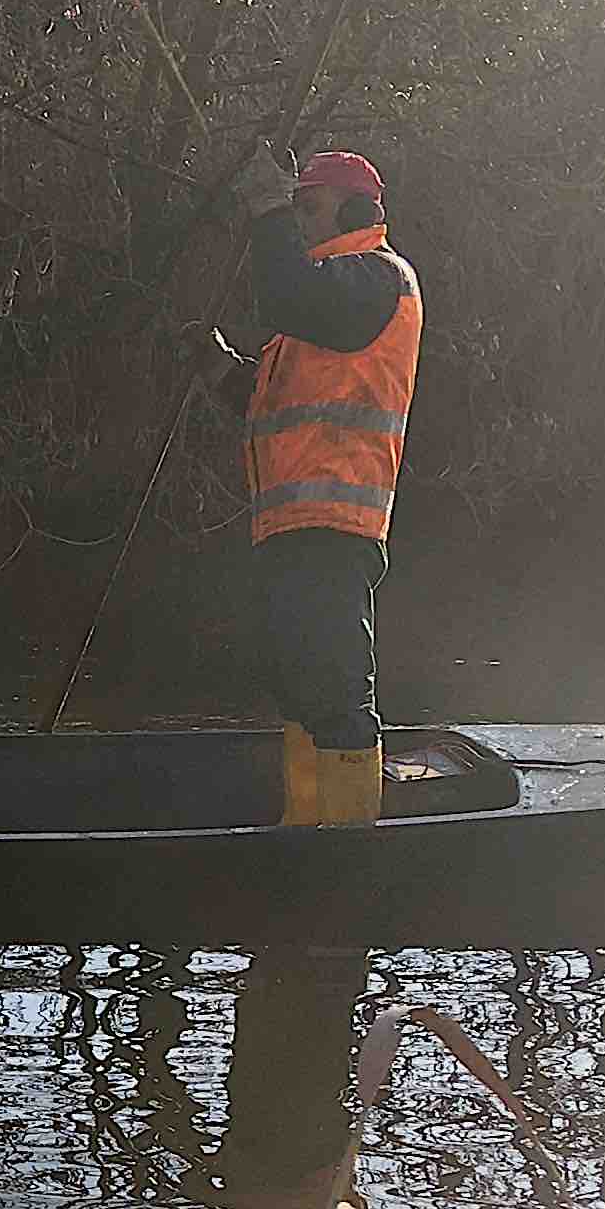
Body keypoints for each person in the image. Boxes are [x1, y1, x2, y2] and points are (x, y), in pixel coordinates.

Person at [224, 146, 421, 826]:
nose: (300, 221)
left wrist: (265, 210)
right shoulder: (330, 291)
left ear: (354, 207)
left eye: (308, 206)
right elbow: (279, 403)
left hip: (336, 521)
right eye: (296, 207)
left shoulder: (376, 277)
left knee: (335, 693)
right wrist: (223, 374)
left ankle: (346, 848)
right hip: (293, 525)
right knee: (298, 686)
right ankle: (306, 831)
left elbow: (285, 295)